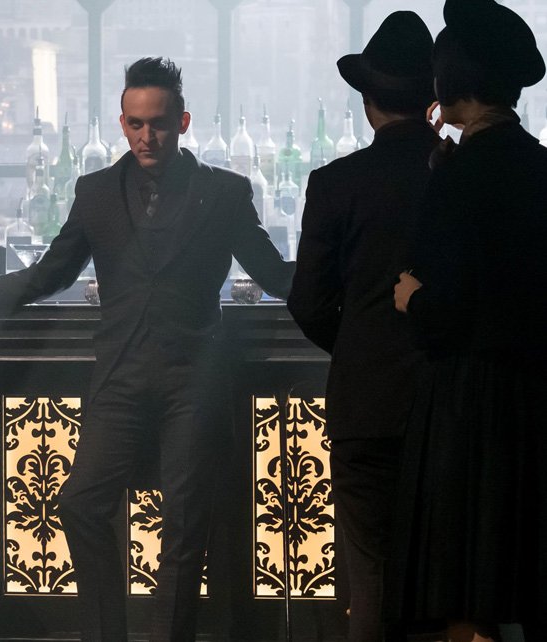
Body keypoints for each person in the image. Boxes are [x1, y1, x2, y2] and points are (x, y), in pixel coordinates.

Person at [0, 57, 294, 640]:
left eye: (158, 123)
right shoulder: (97, 191)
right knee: (81, 504)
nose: (146, 136)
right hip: (121, 378)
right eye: (135, 123)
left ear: (183, 122)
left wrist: (355, 285)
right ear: (121, 122)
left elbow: (275, 274)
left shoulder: (224, 192)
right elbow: (49, 274)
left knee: (185, 525)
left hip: (193, 380)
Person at [392, 1, 547, 640]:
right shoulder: (539, 166)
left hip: (466, 403)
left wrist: (412, 299)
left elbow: (449, 306)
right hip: (534, 398)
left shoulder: (456, 176)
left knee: (464, 584)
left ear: (454, 79)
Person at [287, 12, 437, 642]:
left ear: (368, 104)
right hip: (448, 405)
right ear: (433, 103)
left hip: (365, 405)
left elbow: (307, 302)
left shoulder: (334, 184)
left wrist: (357, 345)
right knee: (444, 579)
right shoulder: (458, 176)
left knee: (371, 577)